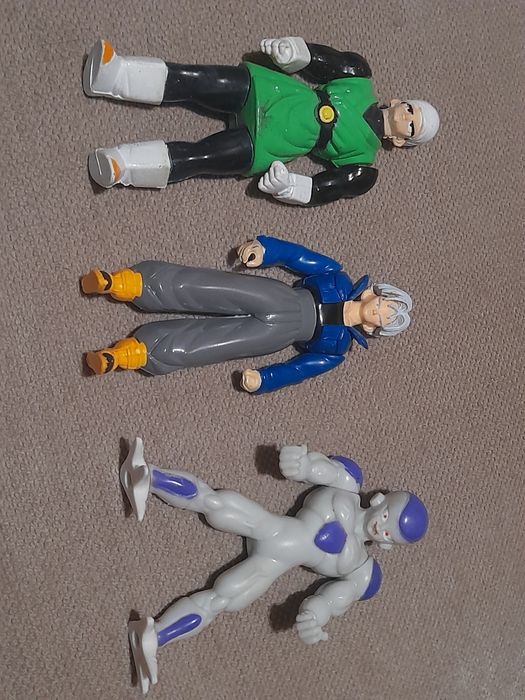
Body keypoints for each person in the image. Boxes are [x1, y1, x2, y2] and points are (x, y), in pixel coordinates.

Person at [121, 438, 428, 694]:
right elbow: (318, 468)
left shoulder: (360, 568)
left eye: (388, 534)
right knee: (214, 502)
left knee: (221, 599)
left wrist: (314, 618)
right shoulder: (347, 485)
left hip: (271, 565)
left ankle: (155, 636)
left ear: (388, 545)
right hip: (268, 526)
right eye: (386, 517)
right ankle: (150, 477)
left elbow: (333, 600)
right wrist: (300, 464)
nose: (380, 528)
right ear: (379, 500)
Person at [84, 37, 439, 206]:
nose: (406, 117)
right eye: (411, 109)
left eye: (412, 126)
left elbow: (322, 189)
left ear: (401, 141)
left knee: (200, 157)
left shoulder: (363, 167)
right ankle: (118, 76)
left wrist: (287, 186)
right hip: (271, 91)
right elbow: (322, 61)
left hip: (271, 146)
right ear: (398, 100)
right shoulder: (358, 76)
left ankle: (122, 166)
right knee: (196, 79)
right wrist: (295, 53)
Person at [82, 236, 413, 393]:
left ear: (375, 330)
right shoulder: (336, 278)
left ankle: (132, 354)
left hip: (276, 337)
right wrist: (266, 250)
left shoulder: (337, 348)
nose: (381, 312)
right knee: (209, 287)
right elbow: (298, 257)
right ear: (376, 292)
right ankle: (129, 283)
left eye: (386, 318)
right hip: (280, 297)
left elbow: (298, 370)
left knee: (209, 346)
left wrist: (265, 380)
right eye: (387, 305)